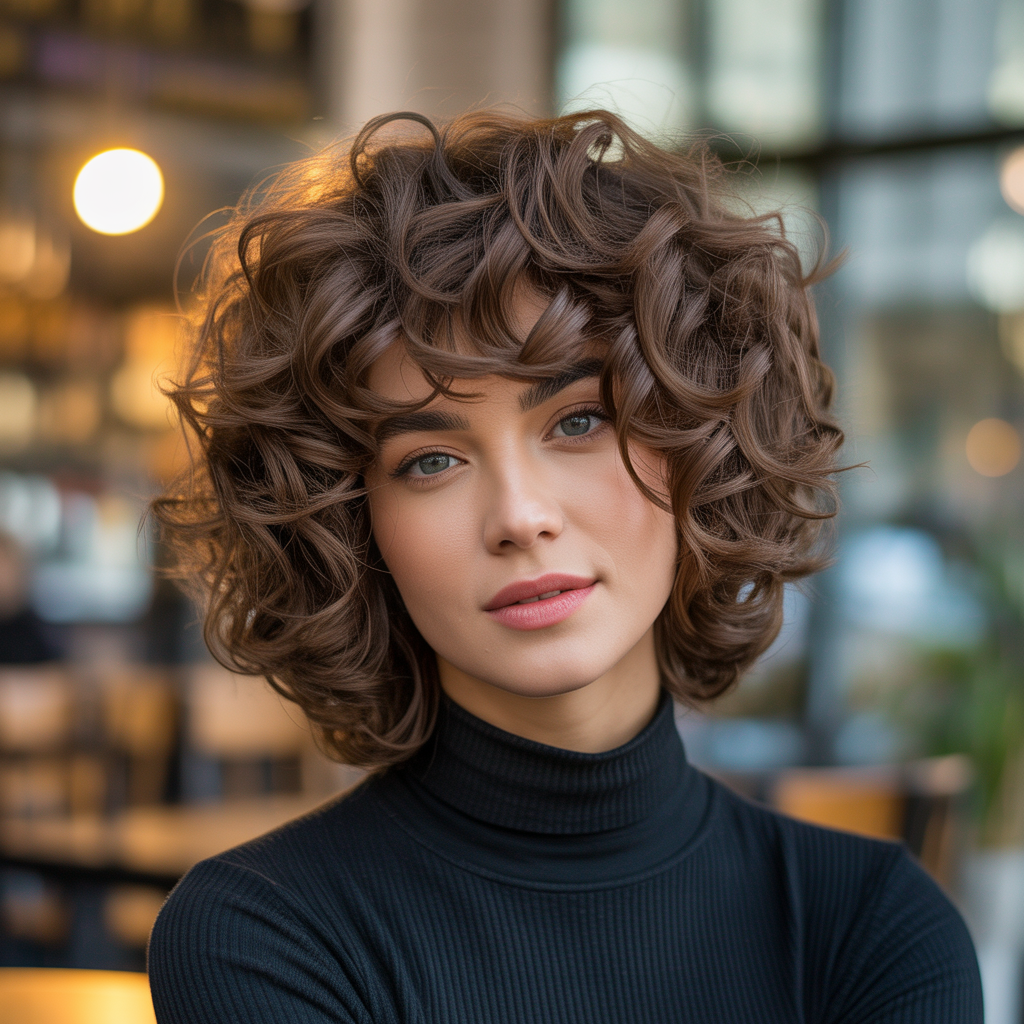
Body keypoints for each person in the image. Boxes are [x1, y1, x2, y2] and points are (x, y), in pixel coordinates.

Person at [147, 110, 982, 1022]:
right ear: (351, 529)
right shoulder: (263, 938)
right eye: (431, 461)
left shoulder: (873, 928)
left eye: (578, 421)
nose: (521, 517)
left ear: (702, 444)